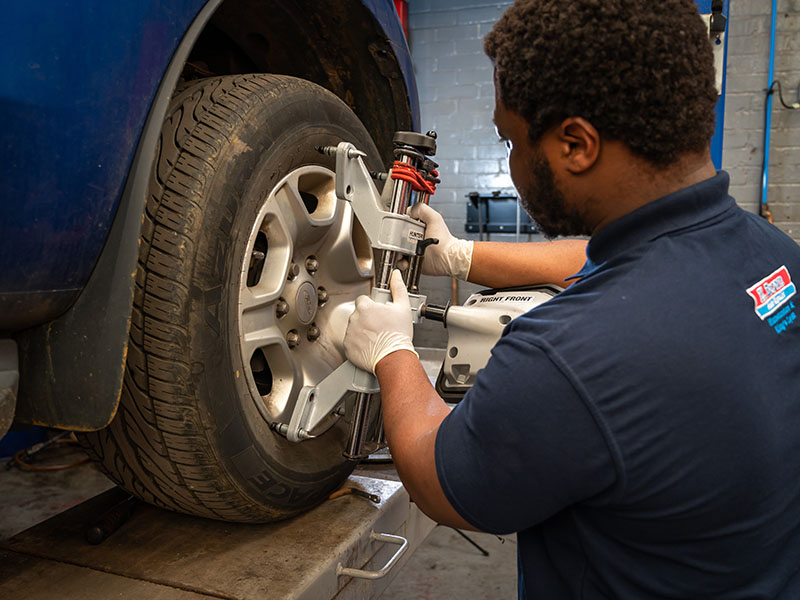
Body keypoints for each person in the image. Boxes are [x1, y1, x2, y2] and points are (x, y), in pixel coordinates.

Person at [343, 0, 800, 597]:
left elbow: (440, 478)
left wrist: (391, 351)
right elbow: (599, 260)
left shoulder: (567, 355)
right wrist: (460, 255)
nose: (511, 162)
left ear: (576, 145)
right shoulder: (773, 254)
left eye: (509, 140)